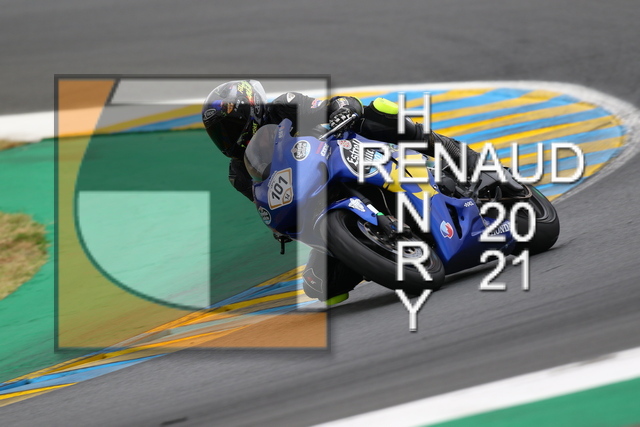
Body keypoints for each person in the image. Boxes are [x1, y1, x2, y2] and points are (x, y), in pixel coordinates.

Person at [201, 80, 487, 304]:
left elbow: (333, 103)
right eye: (219, 135)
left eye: (230, 127)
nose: (227, 138)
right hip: (316, 199)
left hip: (346, 152)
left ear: (251, 109)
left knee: (381, 113)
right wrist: (278, 225)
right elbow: (263, 200)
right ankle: (375, 250)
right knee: (319, 286)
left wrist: (343, 109)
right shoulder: (238, 173)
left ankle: (457, 155)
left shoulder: (283, 105)